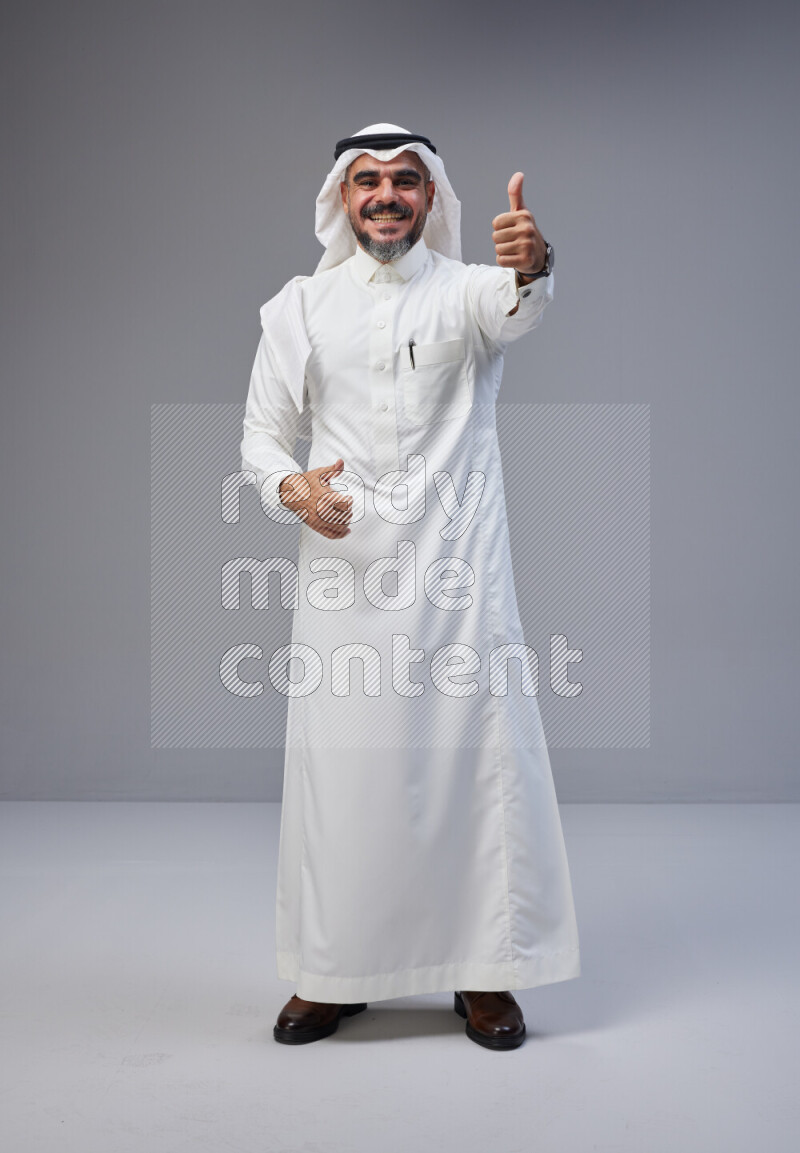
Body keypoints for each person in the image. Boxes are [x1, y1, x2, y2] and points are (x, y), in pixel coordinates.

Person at [240, 123, 580, 1051]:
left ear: (430, 198)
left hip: (460, 579)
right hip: (343, 582)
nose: (386, 196)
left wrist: (535, 259)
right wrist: (291, 488)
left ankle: (484, 975)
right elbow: (261, 440)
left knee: (473, 766)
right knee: (346, 780)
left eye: (404, 181)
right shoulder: (298, 308)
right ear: (341, 201)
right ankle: (334, 971)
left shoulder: (467, 290)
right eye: (367, 182)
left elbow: (521, 303)